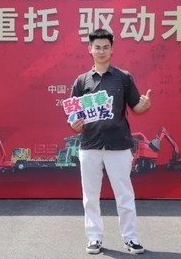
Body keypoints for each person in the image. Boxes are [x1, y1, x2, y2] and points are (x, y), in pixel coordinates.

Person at [69, 28, 152, 255]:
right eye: (97, 47)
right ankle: (94, 238)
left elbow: (136, 107)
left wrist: (144, 105)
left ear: (112, 50)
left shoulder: (123, 78)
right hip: (90, 145)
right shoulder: (82, 81)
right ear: (90, 49)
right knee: (90, 196)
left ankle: (131, 238)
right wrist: (74, 124)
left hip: (119, 145)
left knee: (124, 195)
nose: (102, 51)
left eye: (106, 47)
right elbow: (74, 116)